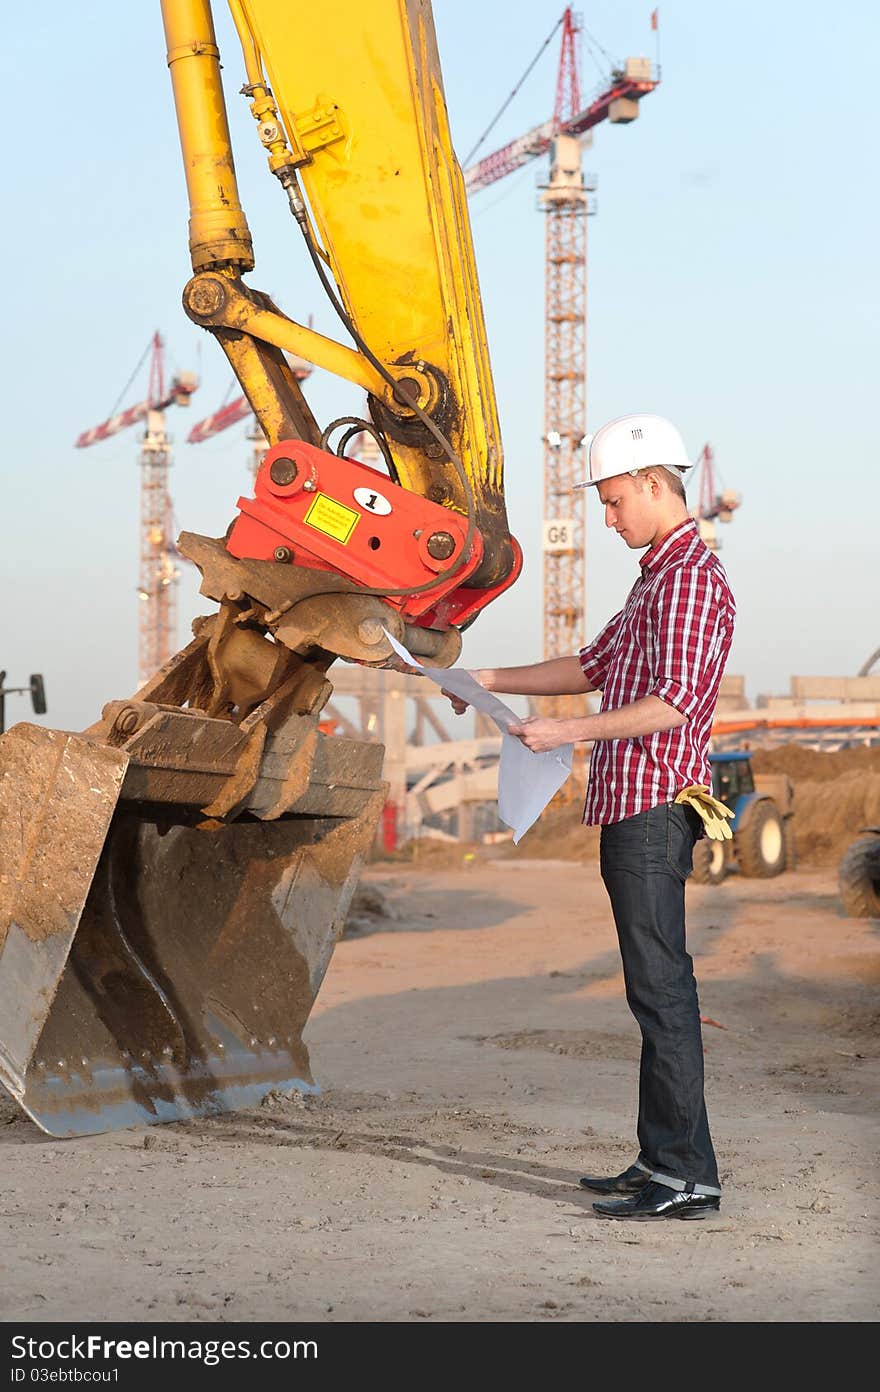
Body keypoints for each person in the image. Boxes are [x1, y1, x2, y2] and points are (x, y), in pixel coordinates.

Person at [442, 413, 736, 1222]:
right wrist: (477, 675)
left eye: (612, 503)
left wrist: (565, 730)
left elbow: (671, 705)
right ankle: (662, 1161)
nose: (607, 520)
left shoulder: (689, 580)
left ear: (652, 485)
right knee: (653, 992)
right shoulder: (656, 579)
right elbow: (590, 666)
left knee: (662, 992)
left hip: (652, 809)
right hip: (630, 810)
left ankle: (687, 1177)